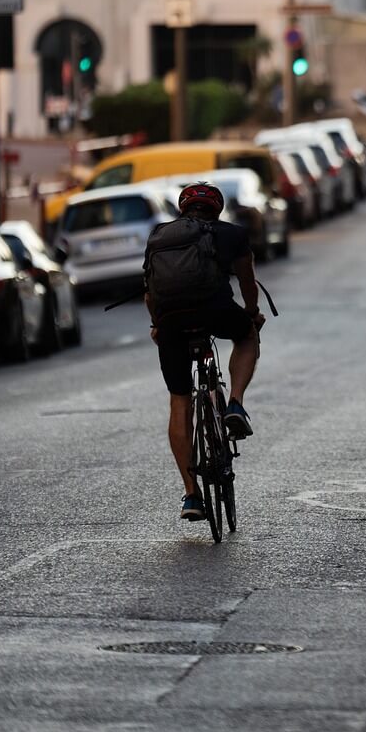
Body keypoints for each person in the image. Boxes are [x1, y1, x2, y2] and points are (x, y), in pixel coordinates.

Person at [143, 181, 265, 522]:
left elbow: (150, 292)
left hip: (171, 322)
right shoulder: (233, 234)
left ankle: (192, 495)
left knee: (179, 402)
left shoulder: (159, 236)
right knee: (246, 335)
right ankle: (236, 403)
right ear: (217, 209)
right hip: (214, 310)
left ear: (182, 208)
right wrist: (251, 315)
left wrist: (157, 324)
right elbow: (247, 283)